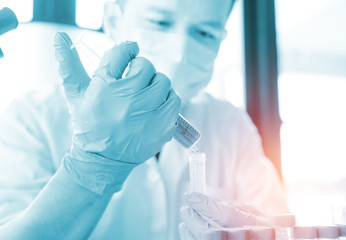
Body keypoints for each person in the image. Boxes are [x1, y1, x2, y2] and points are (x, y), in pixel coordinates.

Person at [0, 0, 289, 239]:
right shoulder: (32, 120)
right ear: (113, 19)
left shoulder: (231, 127)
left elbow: (277, 224)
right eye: (160, 22)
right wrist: (90, 169)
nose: (179, 53)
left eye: (204, 33)